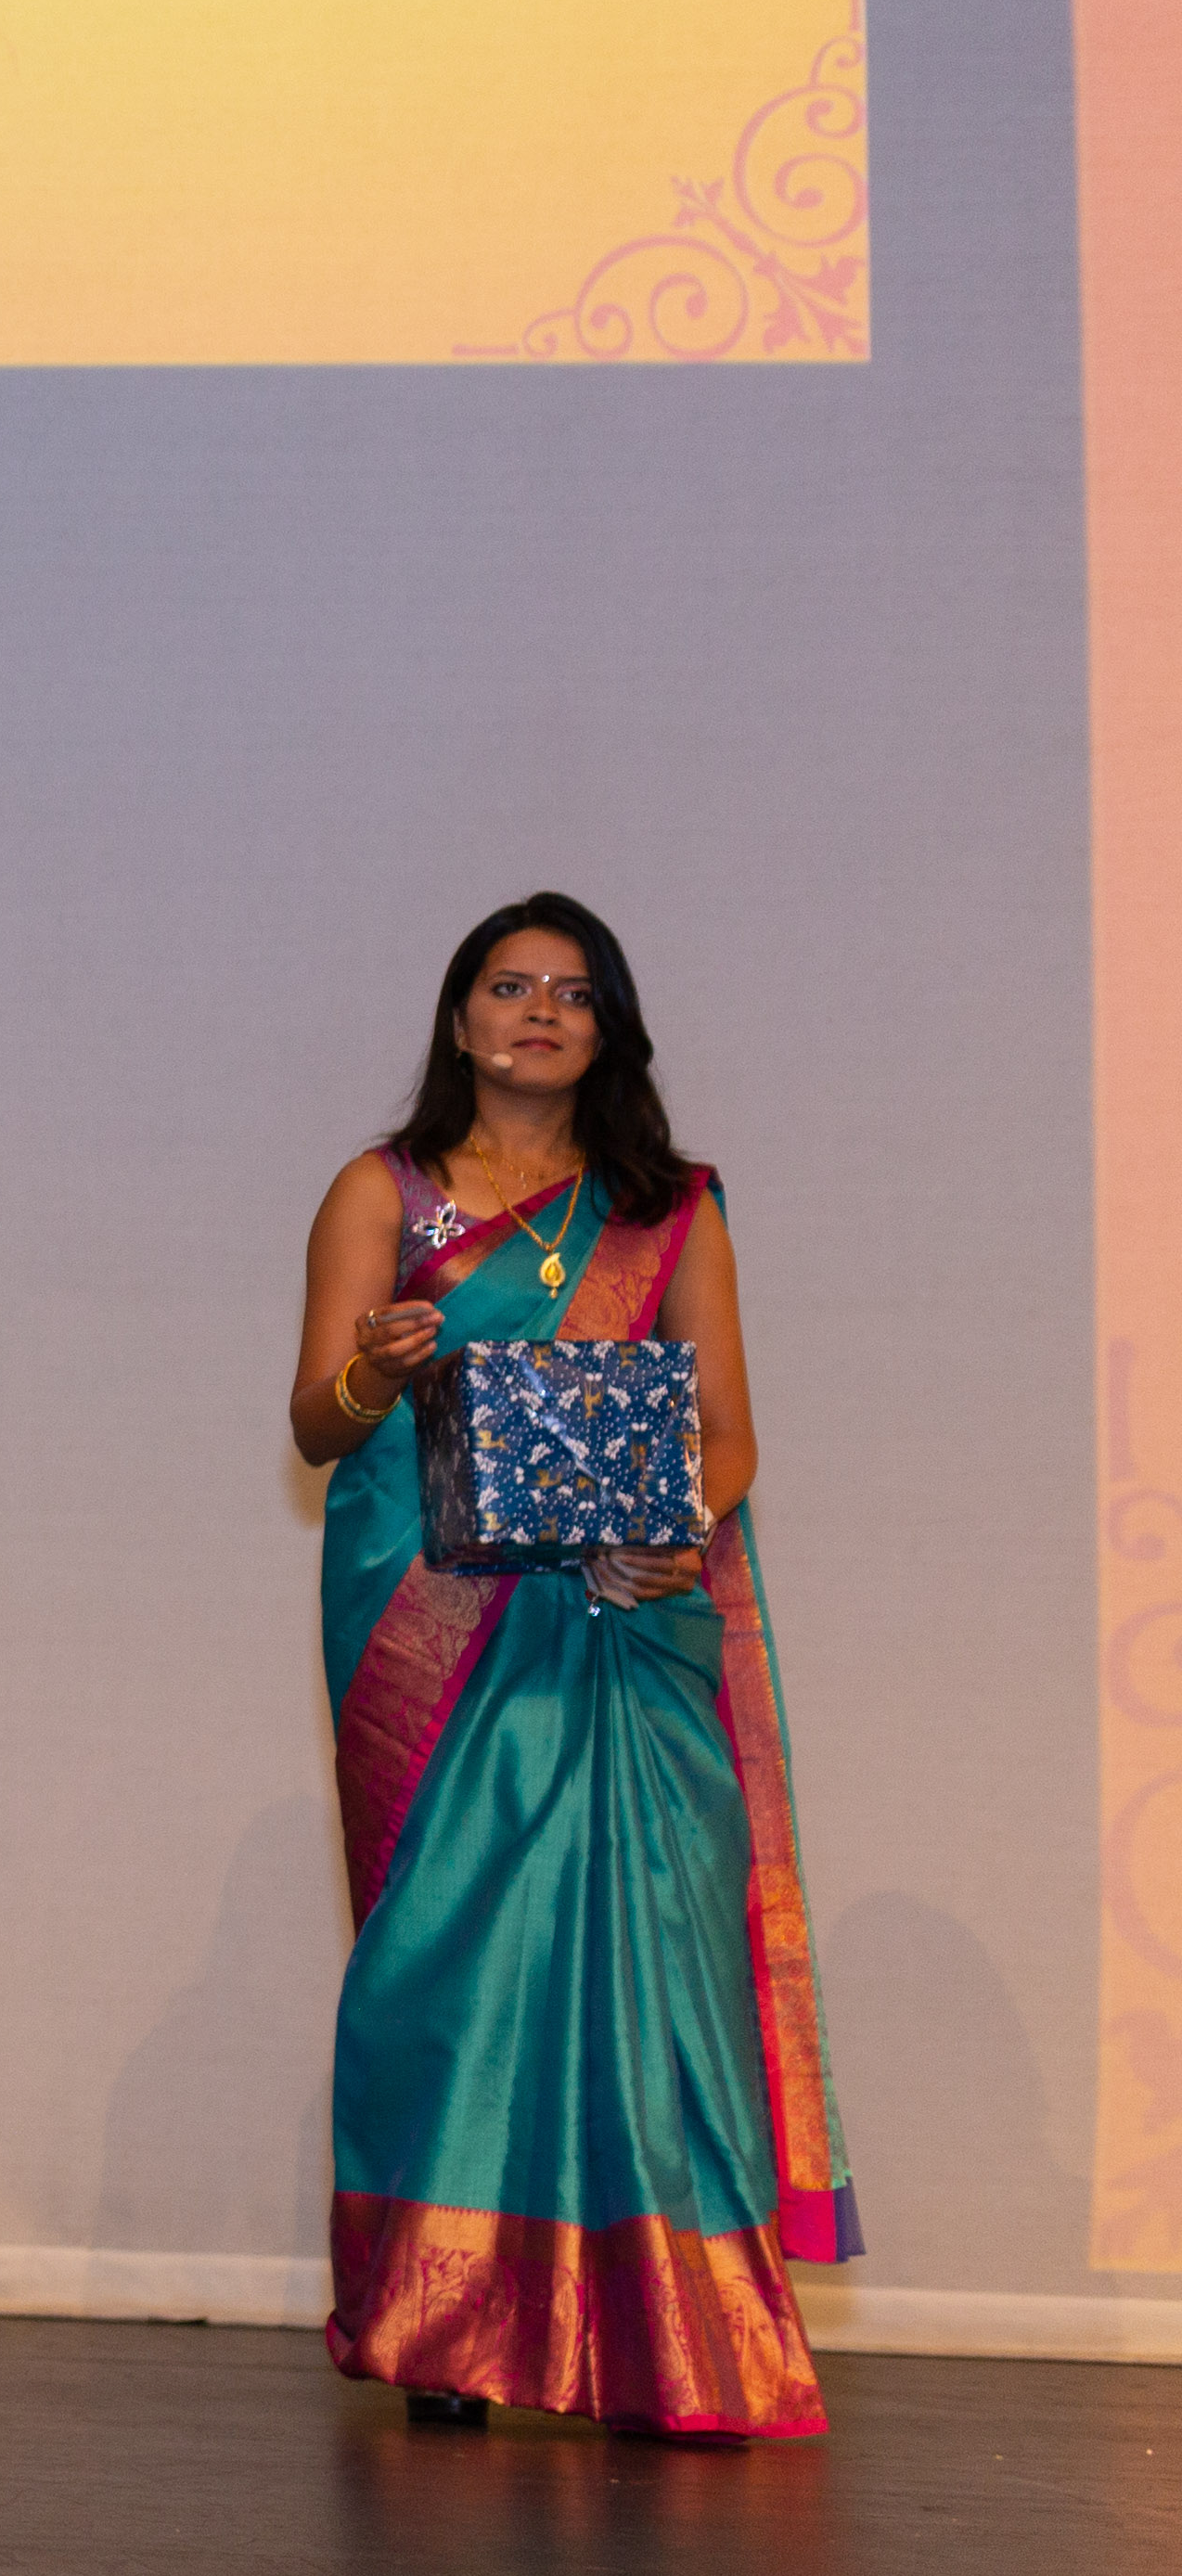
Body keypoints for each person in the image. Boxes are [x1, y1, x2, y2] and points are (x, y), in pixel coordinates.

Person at [291, 893, 858, 2436]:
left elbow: (727, 1435)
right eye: (508, 985)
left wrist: (672, 1535)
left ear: (611, 1028)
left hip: (624, 1618)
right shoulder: (384, 1193)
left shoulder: (668, 1207)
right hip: (427, 1617)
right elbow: (318, 1424)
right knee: (444, 1950)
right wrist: (374, 1371)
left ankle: (660, 2333)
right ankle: (444, 2322)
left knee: (650, 1946)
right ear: (459, 1016)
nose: (539, 1011)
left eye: (573, 991)